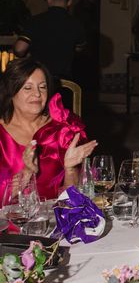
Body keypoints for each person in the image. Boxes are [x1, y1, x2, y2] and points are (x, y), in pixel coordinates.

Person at [0, 58, 97, 200]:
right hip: (11, 218)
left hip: (53, 217)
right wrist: (26, 174)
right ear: (11, 92)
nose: (38, 94)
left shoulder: (61, 130)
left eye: (42, 87)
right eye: (28, 88)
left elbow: (72, 199)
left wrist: (70, 169)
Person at [13, 0, 86, 81]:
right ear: (69, 2)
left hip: (39, 78)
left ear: (48, 0)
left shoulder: (35, 21)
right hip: (64, 82)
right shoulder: (77, 25)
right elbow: (79, 49)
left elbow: (19, 49)